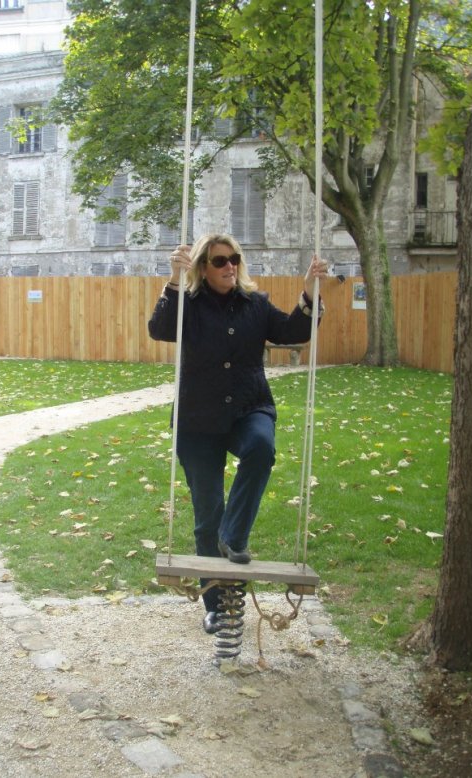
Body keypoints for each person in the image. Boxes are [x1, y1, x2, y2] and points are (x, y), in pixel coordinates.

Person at [148, 233, 328, 633]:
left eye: (234, 258)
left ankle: (236, 535)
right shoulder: (188, 306)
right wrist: (174, 280)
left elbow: (292, 330)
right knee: (207, 515)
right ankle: (219, 605)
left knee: (262, 447)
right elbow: (160, 329)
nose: (229, 265)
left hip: (249, 407)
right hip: (198, 421)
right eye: (219, 261)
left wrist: (309, 293)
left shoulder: (255, 304)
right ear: (202, 268)